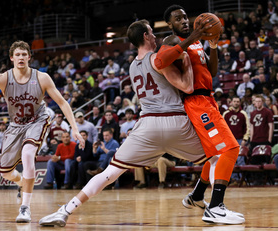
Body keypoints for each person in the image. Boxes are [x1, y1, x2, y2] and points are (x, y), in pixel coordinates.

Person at [39, 19, 213, 227]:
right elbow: (186, 86)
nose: (156, 36)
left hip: (147, 125)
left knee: (110, 174)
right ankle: (214, 206)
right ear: (146, 36)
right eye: (152, 32)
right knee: (217, 158)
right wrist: (185, 62)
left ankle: (66, 210)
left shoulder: (131, 67)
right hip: (174, 121)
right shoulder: (158, 58)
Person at [154, 5, 244, 224]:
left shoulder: (196, 43)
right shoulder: (171, 41)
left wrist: (212, 46)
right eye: (178, 19)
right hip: (196, 102)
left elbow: (212, 71)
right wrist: (193, 35)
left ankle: (196, 196)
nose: (184, 21)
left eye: (185, 17)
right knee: (230, 149)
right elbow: (160, 60)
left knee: (214, 155)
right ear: (170, 24)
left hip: (208, 100)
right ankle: (215, 207)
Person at [0, 41, 85, 223]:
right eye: (17, 55)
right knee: (5, 172)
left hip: (38, 120)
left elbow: (62, 102)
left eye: (24, 54)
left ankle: (25, 208)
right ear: (12, 58)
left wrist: (74, 128)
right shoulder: (3, 78)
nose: (21, 57)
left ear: (29, 57)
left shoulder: (42, 77)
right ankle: (21, 182)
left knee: (28, 154)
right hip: (16, 125)